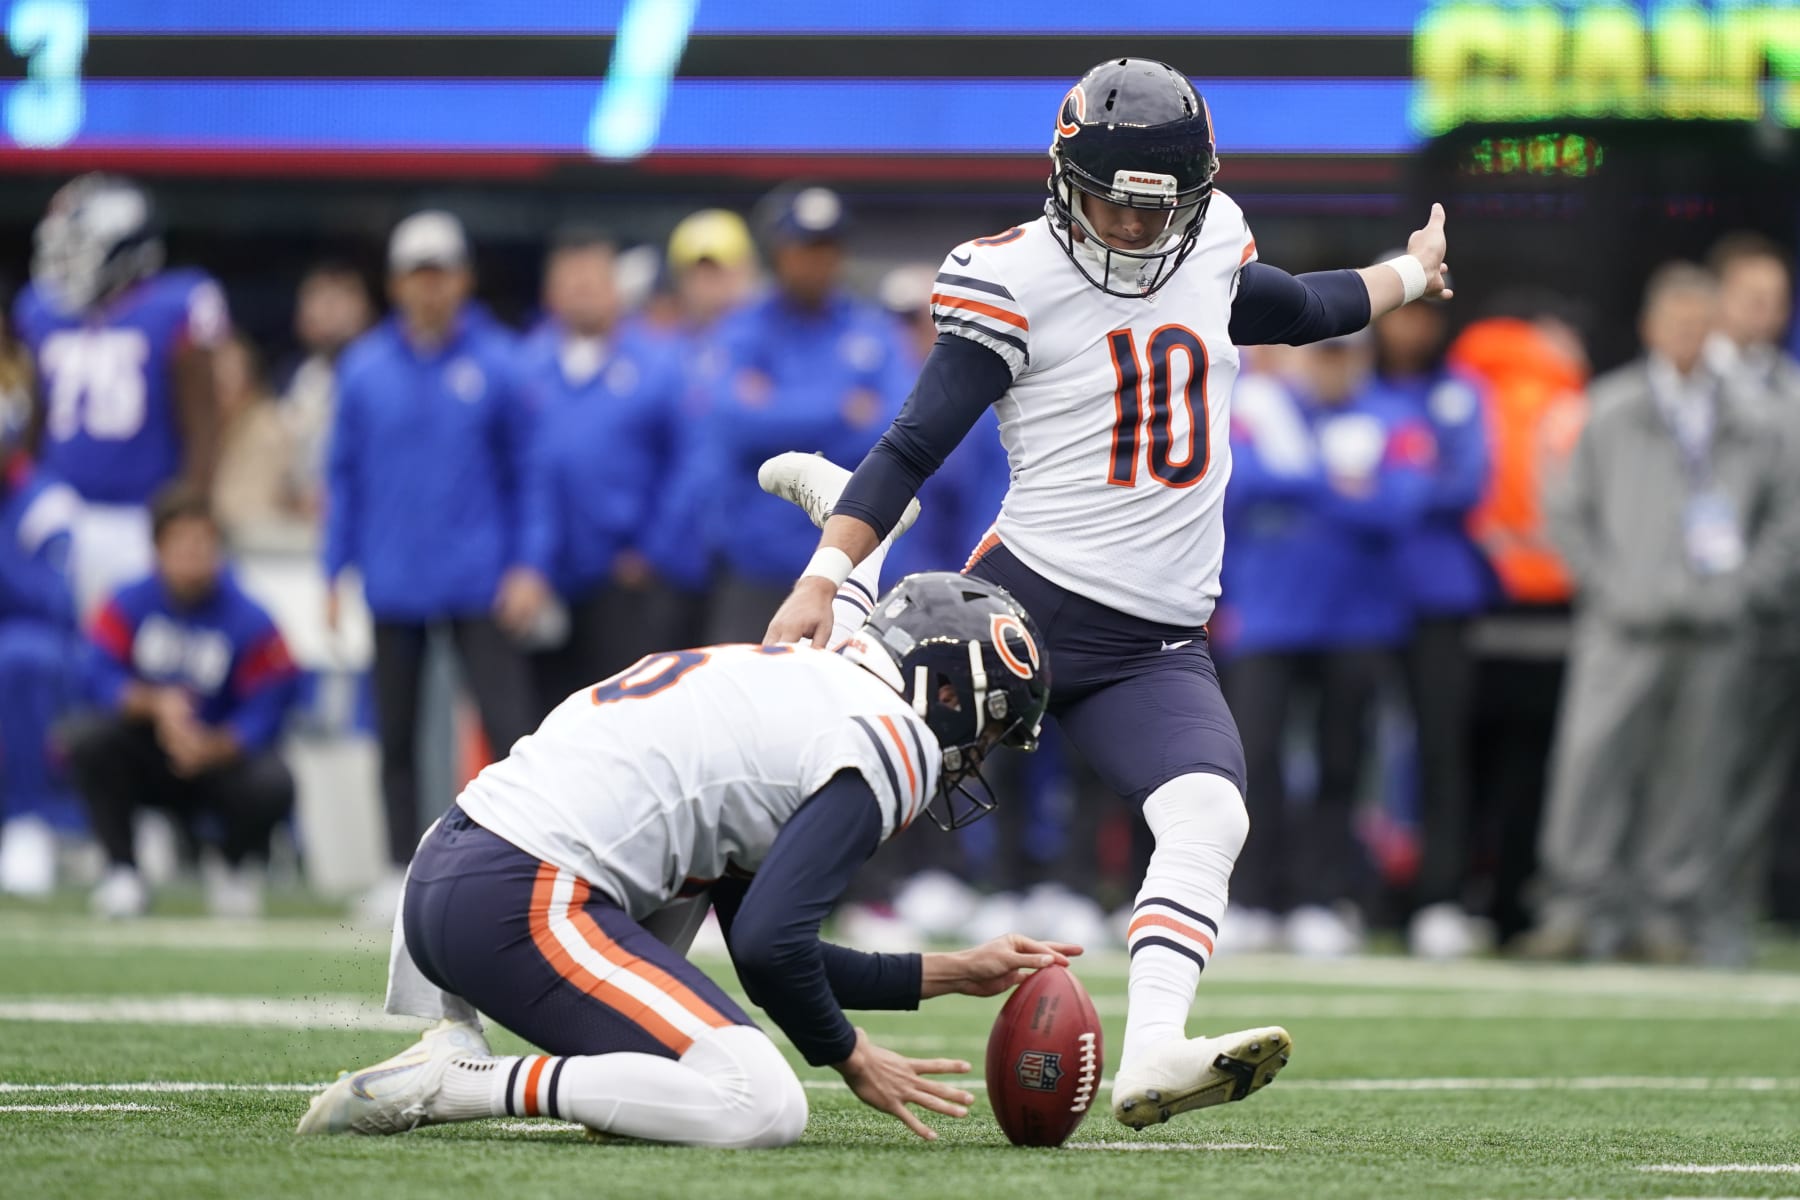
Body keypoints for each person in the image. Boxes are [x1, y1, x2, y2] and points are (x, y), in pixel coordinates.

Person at [763, 58, 1447, 1128]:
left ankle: (1157, 1051)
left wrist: (1406, 274)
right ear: (1062, 179)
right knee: (838, 762)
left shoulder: (1213, 240)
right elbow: (914, 442)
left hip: (1158, 638)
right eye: (1109, 204)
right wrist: (822, 575)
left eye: (1154, 208)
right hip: (1020, 605)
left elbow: (1301, 307)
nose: (1131, 229)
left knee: (1209, 812)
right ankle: (850, 610)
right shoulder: (1013, 277)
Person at [297, 568, 1075, 1148]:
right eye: (991, 731)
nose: (976, 759)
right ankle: (460, 1084)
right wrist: (850, 1055)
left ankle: (474, 1051)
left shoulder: (793, 688)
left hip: (454, 873)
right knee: (762, 1102)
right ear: (948, 696)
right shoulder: (891, 737)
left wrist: (952, 972)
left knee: (710, 991)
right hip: (520, 892)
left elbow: (765, 945)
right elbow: (773, 951)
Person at [1522, 263, 1793, 962]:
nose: (1688, 337)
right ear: (1650, 327)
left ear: (1716, 330)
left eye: (1700, 325)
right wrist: (1609, 587)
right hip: (1623, 623)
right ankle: (1575, 909)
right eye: (1676, 323)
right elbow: (1566, 509)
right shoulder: (1609, 408)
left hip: (1716, 628)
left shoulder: (1753, 419)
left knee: (1695, 777)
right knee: (1590, 766)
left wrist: (1745, 589)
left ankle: (1666, 916)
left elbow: (1785, 517)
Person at [323, 210, 550, 895]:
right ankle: (398, 867)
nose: (430, 289)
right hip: (395, 576)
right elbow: (344, 475)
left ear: (463, 281)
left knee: (509, 731)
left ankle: (522, 860)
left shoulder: (500, 363)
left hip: (479, 577)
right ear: (396, 284)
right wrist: (333, 570)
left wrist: (529, 564)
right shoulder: (365, 370)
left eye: (441, 274)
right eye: (418, 276)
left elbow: (530, 472)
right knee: (395, 733)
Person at [1216, 332, 1434, 956]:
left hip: (1358, 622)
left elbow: (1400, 506)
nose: (1331, 365)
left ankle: (1321, 897)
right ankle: (1257, 898)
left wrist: (1300, 482)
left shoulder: (1392, 414)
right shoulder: (1258, 406)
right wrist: (1340, 484)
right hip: (1267, 615)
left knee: (1344, 766)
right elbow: (1240, 482)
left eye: (1344, 353)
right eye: (1321, 352)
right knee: (1253, 763)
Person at [65, 484, 299, 919]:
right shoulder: (125, 603)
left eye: (203, 543)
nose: (193, 554)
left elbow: (271, 703)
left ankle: (231, 866)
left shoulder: (252, 618)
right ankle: (122, 871)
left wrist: (217, 745)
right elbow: (94, 674)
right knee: (87, 741)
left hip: (217, 759)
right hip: (148, 751)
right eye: (182, 543)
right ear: (158, 548)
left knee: (274, 781)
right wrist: (152, 704)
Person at [696, 186, 910, 644]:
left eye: (828, 247)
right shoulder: (743, 328)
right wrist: (840, 408)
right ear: (779, 251)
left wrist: (776, 405)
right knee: (742, 704)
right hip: (756, 564)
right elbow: (733, 420)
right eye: (805, 247)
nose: (817, 260)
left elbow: (894, 430)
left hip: (848, 567)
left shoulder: (873, 330)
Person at [12, 174, 228, 616]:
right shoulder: (41, 310)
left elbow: (204, 425)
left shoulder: (175, 304)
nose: (64, 261)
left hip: (143, 514)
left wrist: (188, 516)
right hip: (61, 507)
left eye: (79, 246)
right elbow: (36, 420)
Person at [1446, 294, 1589, 943]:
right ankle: (1512, 899)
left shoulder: (1470, 385)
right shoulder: (1574, 405)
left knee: (1461, 764)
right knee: (1534, 770)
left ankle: (1456, 897)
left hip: (1476, 597)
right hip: (1556, 604)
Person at [521, 226, 688, 711]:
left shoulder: (657, 366)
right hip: (543, 577)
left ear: (616, 290)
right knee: (542, 716)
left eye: (592, 281)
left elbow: (685, 465)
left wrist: (652, 548)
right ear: (550, 293)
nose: (581, 292)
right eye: (570, 282)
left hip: (623, 574)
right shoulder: (526, 366)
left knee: (622, 712)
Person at [1371, 298, 1493, 958]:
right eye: (1400, 314)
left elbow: (1468, 482)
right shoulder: (1354, 385)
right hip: (1358, 595)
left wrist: (1388, 483)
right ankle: (1358, 892)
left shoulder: (1458, 391)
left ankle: (1439, 895)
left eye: (1422, 315)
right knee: (1351, 749)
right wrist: (1414, 472)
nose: (1411, 327)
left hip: (1441, 596)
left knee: (1441, 747)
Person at [1702, 234, 1800, 963]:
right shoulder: (1688, 388)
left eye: (1777, 299)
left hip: (1773, 613)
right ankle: (1664, 910)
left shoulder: (1791, 388)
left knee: (1756, 777)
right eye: (1751, 296)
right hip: (1688, 613)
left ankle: (1729, 912)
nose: (1767, 313)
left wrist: (1757, 583)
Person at [0, 389, 82, 898]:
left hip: (35, 640)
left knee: (21, 657)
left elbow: (55, 600)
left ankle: (28, 819)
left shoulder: (46, 501)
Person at [279, 262, 375, 518]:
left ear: (363, 310)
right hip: (297, 522)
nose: (328, 313)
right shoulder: (291, 379)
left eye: (337, 301)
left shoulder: (385, 378)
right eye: (317, 302)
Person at [212, 332, 310, 549]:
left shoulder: (272, 426)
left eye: (230, 371)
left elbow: (247, 507)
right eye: (213, 370)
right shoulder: (187, 430)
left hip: (264, 547)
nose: (221, 378)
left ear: (250, 375)